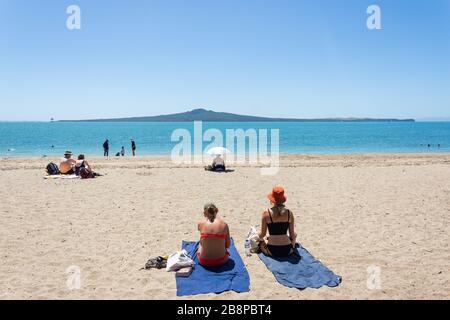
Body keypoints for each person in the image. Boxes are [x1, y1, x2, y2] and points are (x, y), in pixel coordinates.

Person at [258, 186, 297, 257]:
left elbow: (262, 235)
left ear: (272, 199)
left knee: (261, 241)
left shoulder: (266, 213)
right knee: (295, 235)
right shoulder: (289, 213)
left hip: (272, 250)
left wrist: (258, 235)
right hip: (288, 250)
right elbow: (292, 235)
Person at [197, 203, 231, 267]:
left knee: (201, 243)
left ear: (204, 213)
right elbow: (228, 245)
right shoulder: (224, 224)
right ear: (217, 210)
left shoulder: (200, 224)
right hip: (222, 260)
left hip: (204, 261)